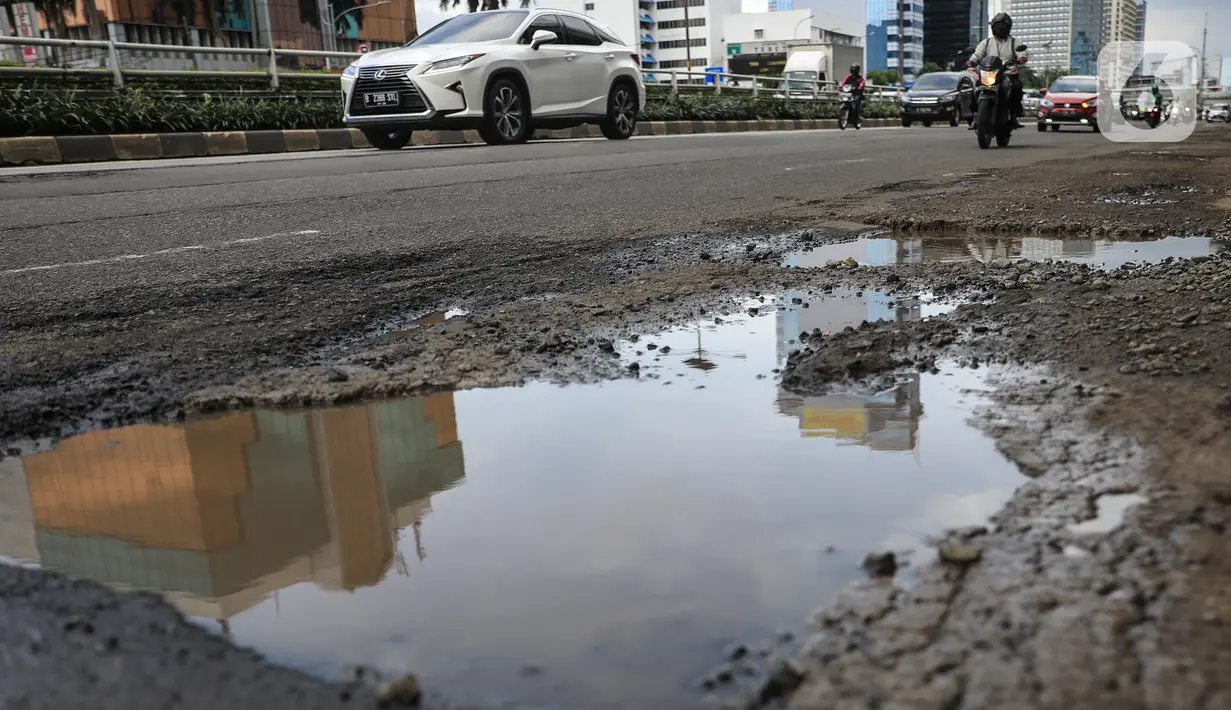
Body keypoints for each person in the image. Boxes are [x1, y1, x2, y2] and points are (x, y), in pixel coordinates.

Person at [967, 13, 1027, 129]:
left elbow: (1021, 53)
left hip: (1007, 73)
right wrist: (971, 62)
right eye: (997, 25)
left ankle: (1014, 116)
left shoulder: (1015, 42)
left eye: (1002, 26)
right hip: (989, 73)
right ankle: (975, 116)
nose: (999, 28)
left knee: (1016, 87)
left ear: (1008, 27)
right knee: (975, 88)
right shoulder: (987, 42)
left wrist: (1021, 58)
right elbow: (977, 54)